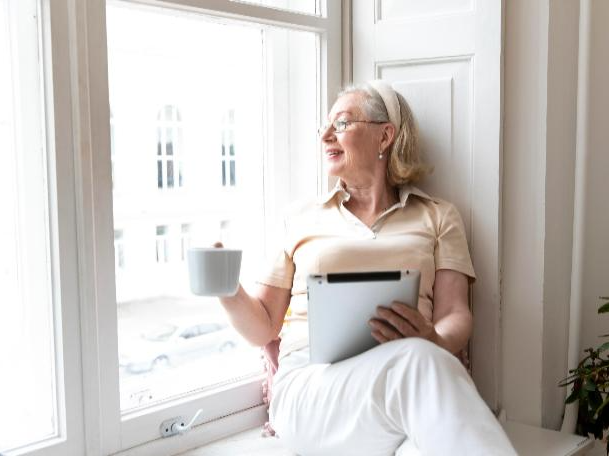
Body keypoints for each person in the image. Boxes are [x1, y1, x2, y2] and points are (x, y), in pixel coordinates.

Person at [214, 81, 517, 456]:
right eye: (323, 127)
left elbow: (455, 313)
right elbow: (263, 325)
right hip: (313, 392)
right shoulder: (299, 218)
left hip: (399, 394)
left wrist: (434, 340)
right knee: (417, 363)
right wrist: (226, 289)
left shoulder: (438, 216)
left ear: (384, 136)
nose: (326, 136)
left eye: (341, 123)